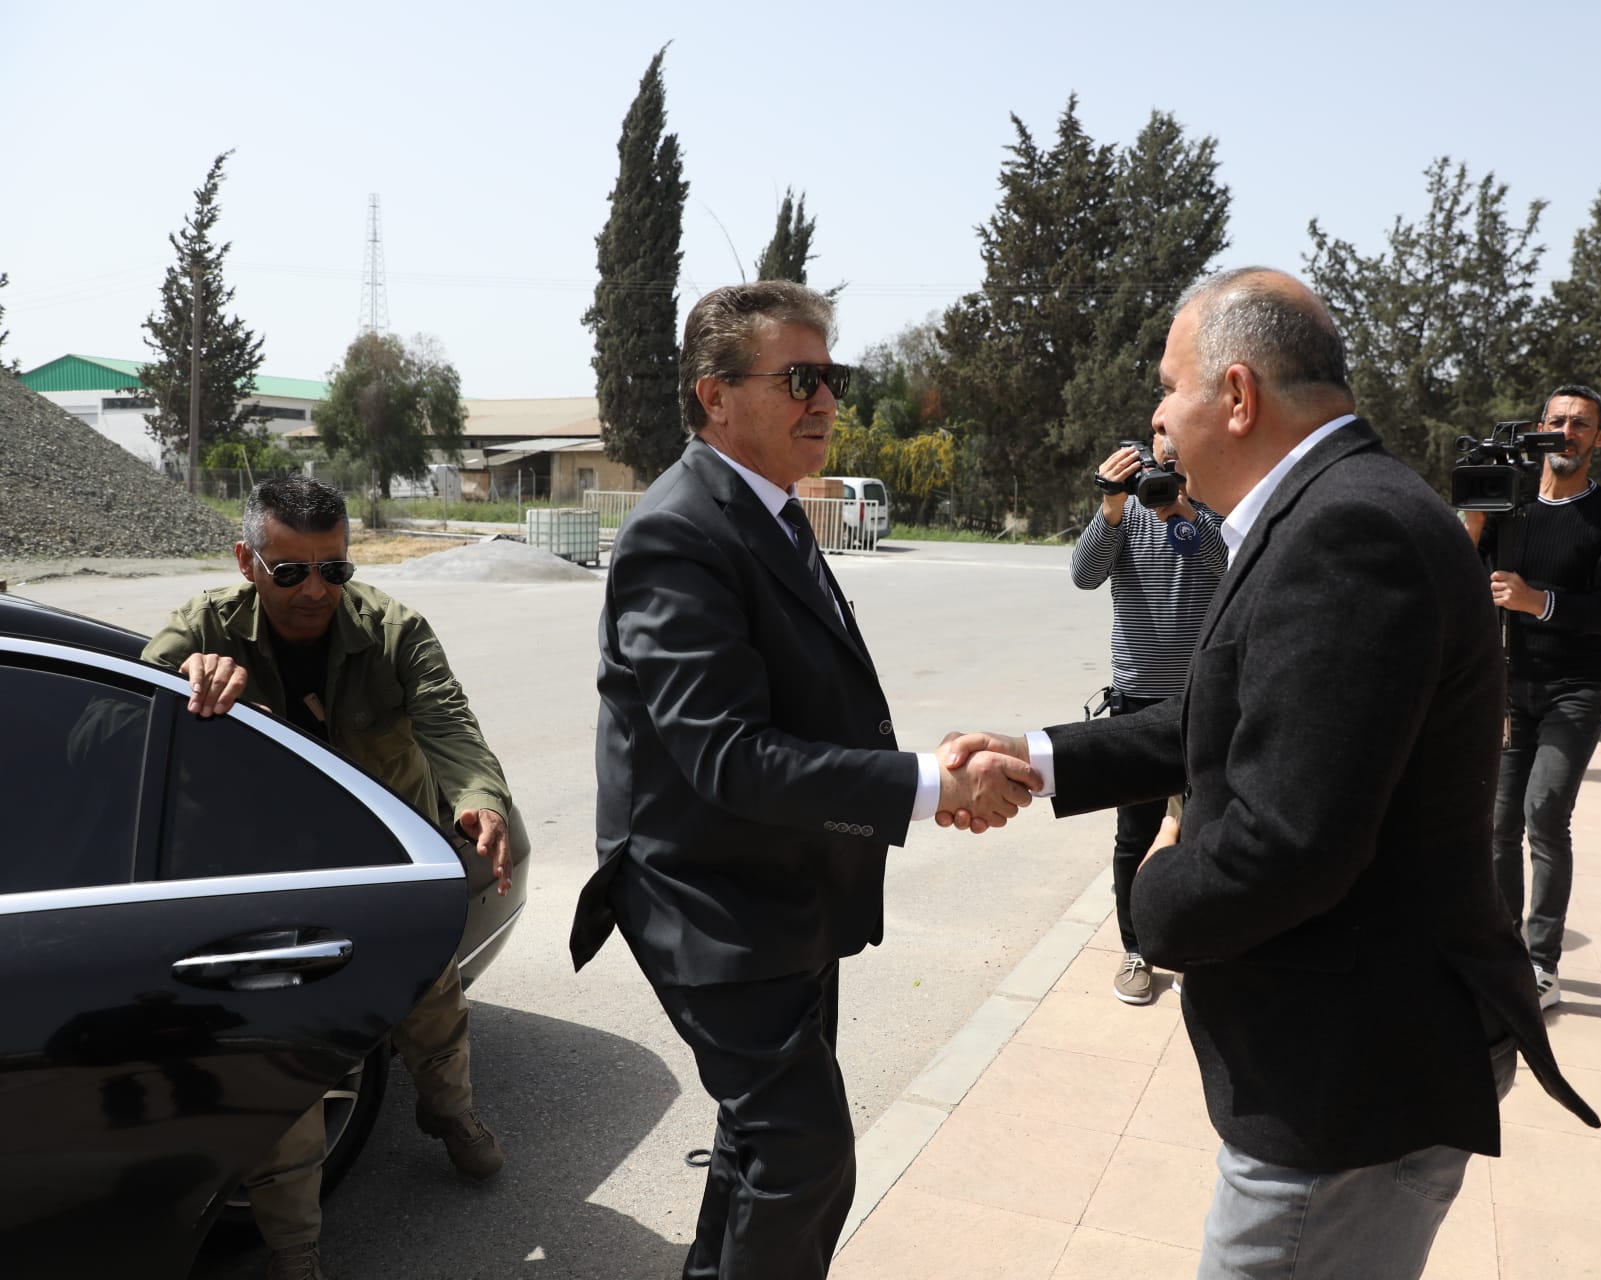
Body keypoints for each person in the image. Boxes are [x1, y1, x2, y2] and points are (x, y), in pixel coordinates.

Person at [942, 268, 1598, 1279]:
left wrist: (1154, 891)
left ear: (1238, 395)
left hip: (1351, 1080)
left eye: (1171, 388)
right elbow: (1220, 712)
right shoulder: (1329, 507)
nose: (1159, 418)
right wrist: (1037, 756)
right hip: (1352, 1059)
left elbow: (1287, 843)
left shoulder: (1348, 531)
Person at [568, 280, 1039, 1280]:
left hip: (780, 883)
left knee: (761, 1138)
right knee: (803, 1153)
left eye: (832, 377)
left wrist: (928, 776)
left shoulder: (769, 510)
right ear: (716, 395)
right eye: (799, 379)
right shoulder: (678, 531)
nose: (826, 400)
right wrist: (930, 785)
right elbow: (727, 754)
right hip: (707, 898)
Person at [143, 476, 514, 1280]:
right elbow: (110, 735)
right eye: (290, 572)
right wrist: (181, 687)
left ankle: (451, 1116)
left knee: (433, 1005)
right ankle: (294, 1246)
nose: (315, 590)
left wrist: (480, 802)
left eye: (333, 569)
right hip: (269, 879)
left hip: (384, 864)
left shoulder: (393, 630)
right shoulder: (202, 628)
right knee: (290, 1056)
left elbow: (452, 725)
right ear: (247, 561)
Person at [1467, 385, 1601, 1009]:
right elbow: (1461, 571)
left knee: (1543, 813)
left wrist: (1533, 601)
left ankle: (1542, 963)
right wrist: (1475, 512)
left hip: (1576, 687)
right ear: (1539, 428)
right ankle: (1503, 951)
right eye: (1558, 420)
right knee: (1497, 824)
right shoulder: (1508, 507)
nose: (1566, 433)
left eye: (1581, 424)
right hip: (1508, 686)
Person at [1072, 437, 1225, 1003]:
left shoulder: (1215, 503)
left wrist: (1186, 515)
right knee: (1134, 835)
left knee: (1206, 829)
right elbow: (1083, 575)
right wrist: (1111, 507)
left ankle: (1194, 947)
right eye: (1161, 439)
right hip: (1136, 702)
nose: (1168, 451)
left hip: (1205, 699)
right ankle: (1137, 950)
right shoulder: (1126, 511)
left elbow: (1234, 569)